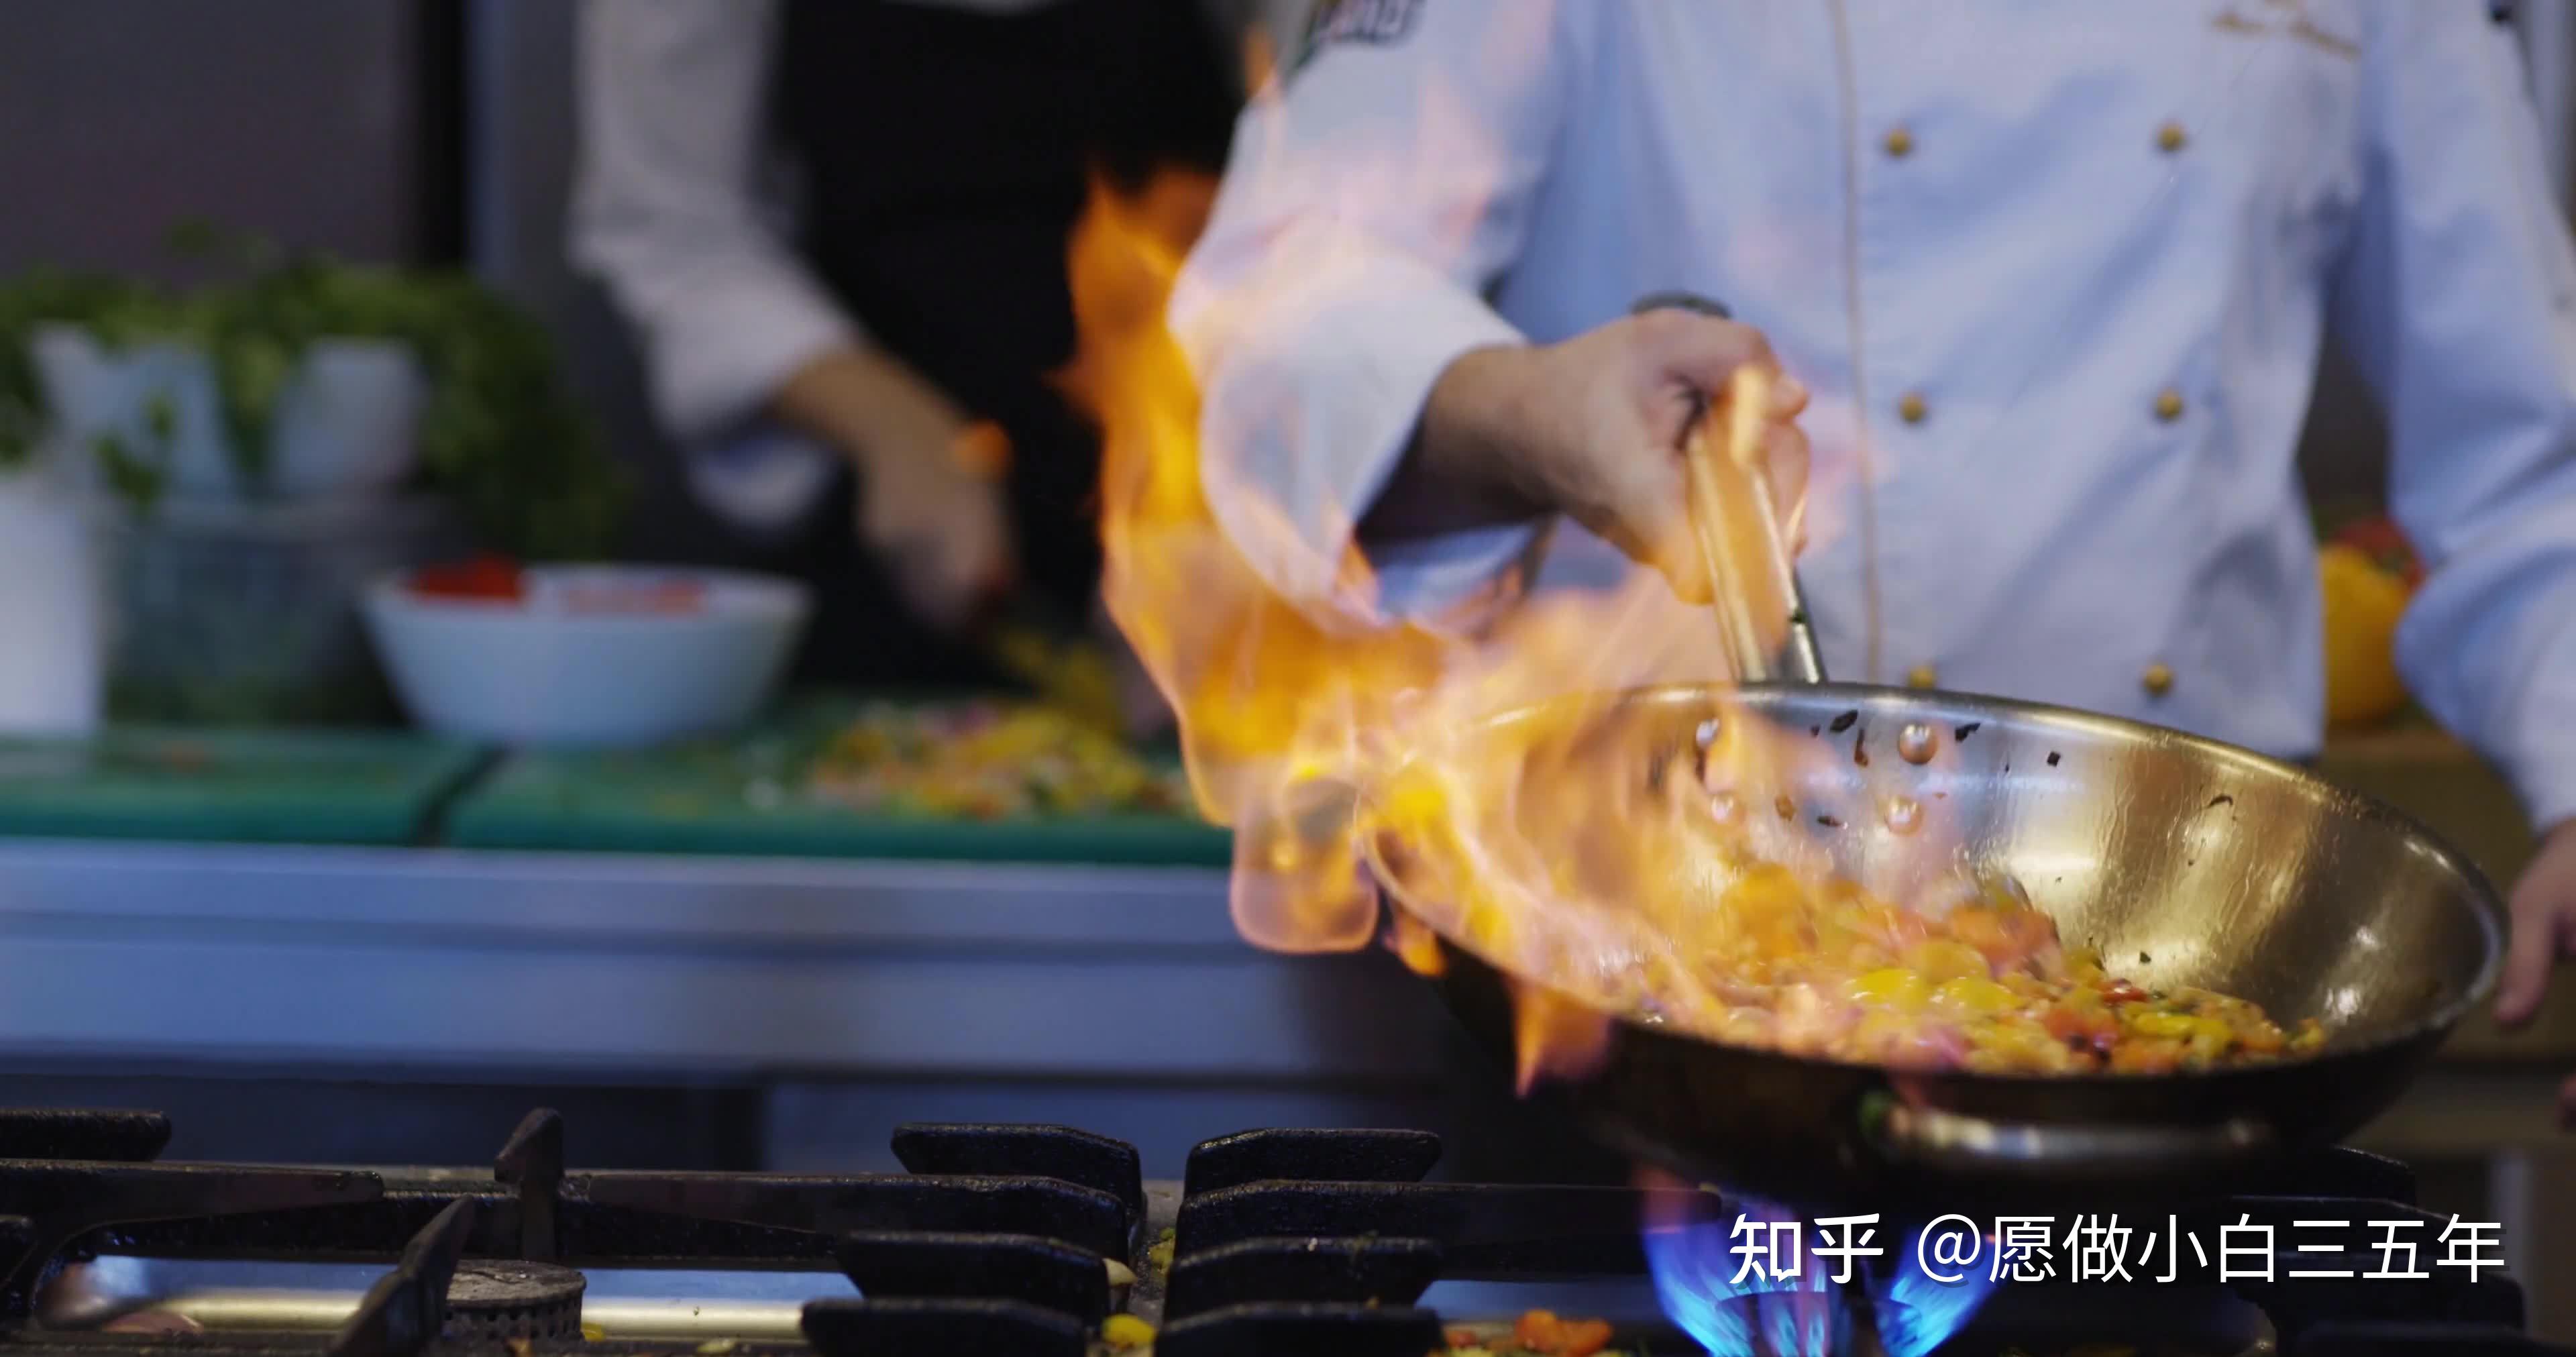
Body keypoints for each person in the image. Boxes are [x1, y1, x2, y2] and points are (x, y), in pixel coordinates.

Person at [1171, 1, 2576, 1134]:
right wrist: (1517, 413)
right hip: (1636, 1009)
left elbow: (2528, 467)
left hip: (2182, 1004)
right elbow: (1283, 301)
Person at [570, 0, 1244, 695]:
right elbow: (678, 234)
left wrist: (1229, 496)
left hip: (1242, 551)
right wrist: (894, 430)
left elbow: (1341, 201)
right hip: (865, 570)